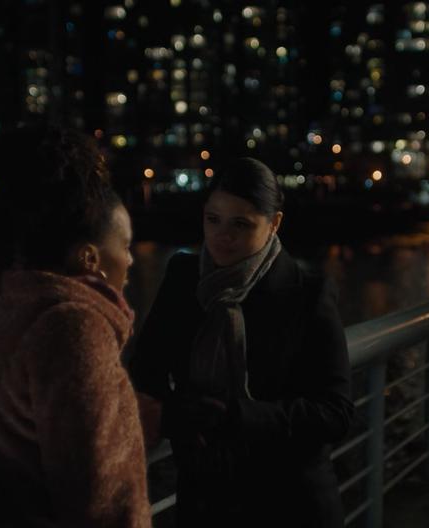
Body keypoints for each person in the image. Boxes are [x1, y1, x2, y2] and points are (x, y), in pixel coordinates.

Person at [128, 157, 354, 527]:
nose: (221, 236)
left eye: (241, 224)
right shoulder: (184, 278)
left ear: (274, 224)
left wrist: (236, 416)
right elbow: (146, 370)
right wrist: (183, 416)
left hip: (289, 503)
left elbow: (335, 412)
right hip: (205, 500)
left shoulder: (307, 292)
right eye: (212, 219)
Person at [0, 126, 151, 527]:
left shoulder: (20, 305)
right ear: (90, 258)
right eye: (124, 247)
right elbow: (98, 495)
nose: (131, 260)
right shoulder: (75, 328)